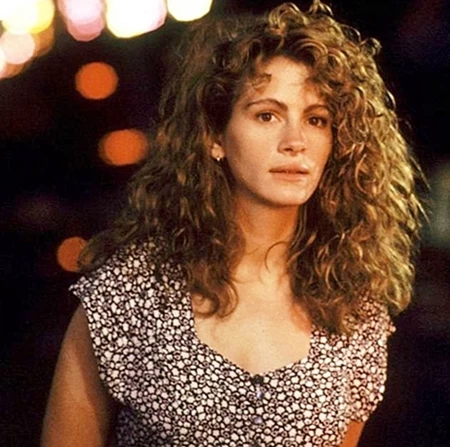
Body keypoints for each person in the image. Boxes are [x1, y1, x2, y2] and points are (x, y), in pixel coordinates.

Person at [41, 1, 424, 446]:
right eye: (267, 115)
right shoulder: (129, 294)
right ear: (214, 136)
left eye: (316, 120)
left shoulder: (353, 311)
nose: (295, 141)